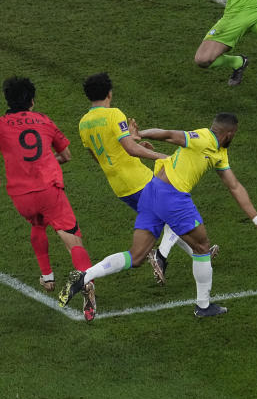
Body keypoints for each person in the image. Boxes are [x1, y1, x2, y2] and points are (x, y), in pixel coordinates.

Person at [57, 112, 257, 318]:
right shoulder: (202, 137)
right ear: (229, 134)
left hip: (151, 192)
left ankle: (84, 276)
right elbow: (169, 135)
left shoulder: (220, 153)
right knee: (202, 246)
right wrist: (139, 134)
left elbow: (235, 186)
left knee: (136, 256)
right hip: (172, 196)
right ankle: (203, 306)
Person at [0, 76, 98, 321]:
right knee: (71, 239)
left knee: (37, 223)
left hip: (21, 196)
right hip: (49, 190)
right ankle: (87, 280)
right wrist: (51, 160)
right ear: (31, 100)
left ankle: (47, 275)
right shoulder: (44, 120)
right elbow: (66, 155)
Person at [78, 72, 218, 285]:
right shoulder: (113, 114)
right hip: (139, 179)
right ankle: (161, 256)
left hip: (120, 187)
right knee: (172, 210)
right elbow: (130, 149)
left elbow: (101, 155)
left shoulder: (83, 123)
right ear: (109, 93)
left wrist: (136, 146)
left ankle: (197, 254)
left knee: (165, 217)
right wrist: (162, 156)